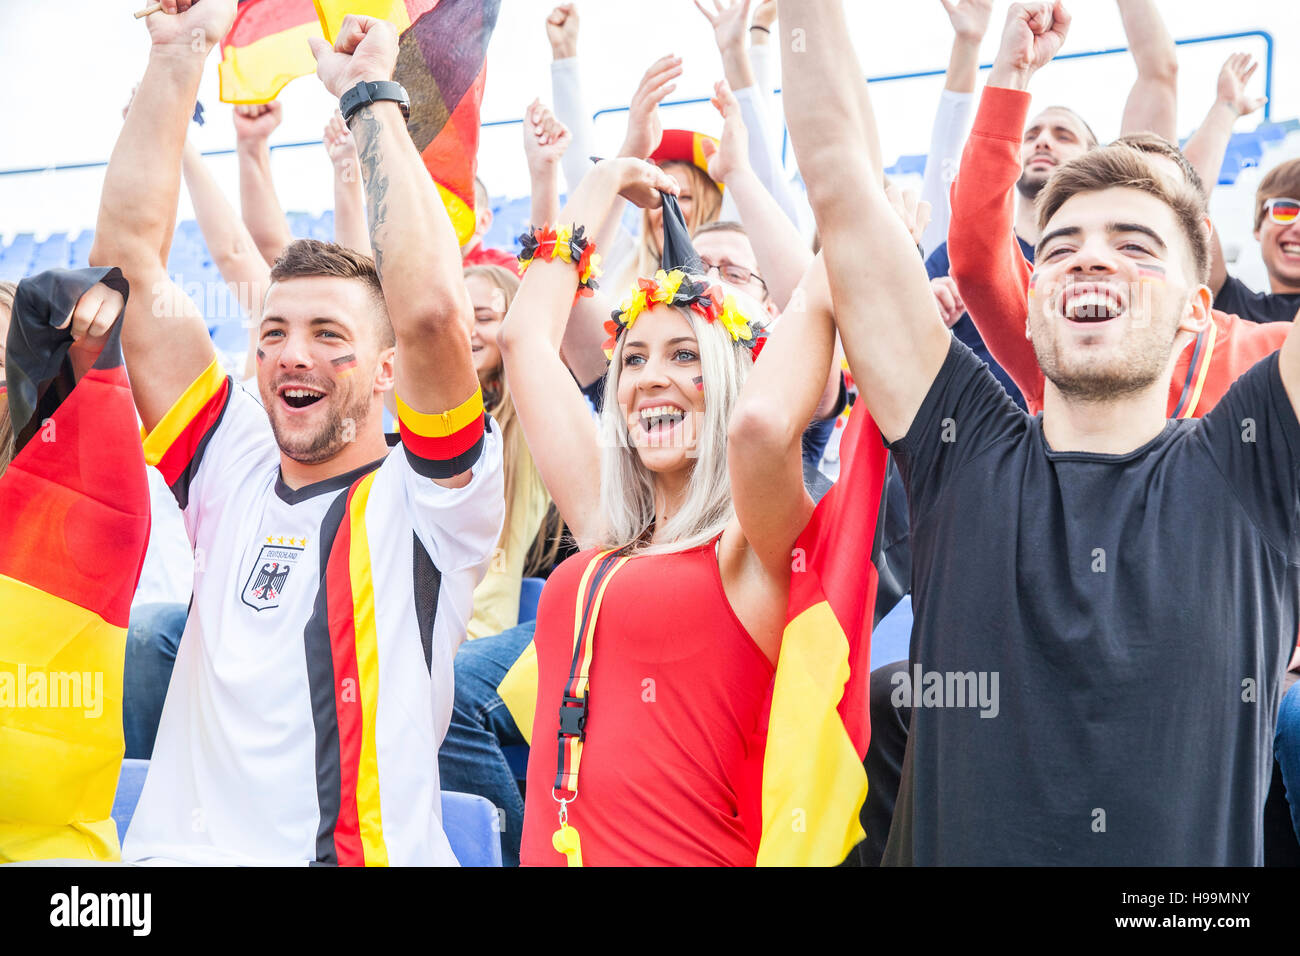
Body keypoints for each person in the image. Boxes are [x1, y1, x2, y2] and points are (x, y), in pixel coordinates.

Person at [783, 0, 1298, 865]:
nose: (1090, 258)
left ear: (1195, 312)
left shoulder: (1253, 461)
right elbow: (837, 174)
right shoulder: (959, 445)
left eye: (1135, 245)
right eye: (1059, 248)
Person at [91, 0, 503, 866]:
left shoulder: (432, 501)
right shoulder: (229, 460)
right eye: (274, 333)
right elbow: (127, 262)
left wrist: (371, 96)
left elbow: (429, 312)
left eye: (329, 336)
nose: (291, 356)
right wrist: (181, 50)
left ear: (387, 371)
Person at [498, 138, 848, 864]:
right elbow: (523, 337)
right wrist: (599, 183)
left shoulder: (754, 546)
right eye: (634, 358)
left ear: (730, 380)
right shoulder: (605, 525)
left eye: (685, 355)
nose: (650, 378)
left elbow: (819, 301)